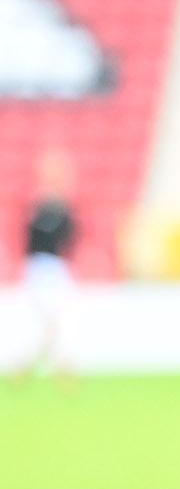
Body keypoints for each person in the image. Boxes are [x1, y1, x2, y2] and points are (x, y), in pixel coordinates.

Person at [11, 147, 77, 385]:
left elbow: (69, 237)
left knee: (51, 323)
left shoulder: (59, 208)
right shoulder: (38, 208)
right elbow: (32, 239)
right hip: (42, 268)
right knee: (51, 322)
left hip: (53, 267)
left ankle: (28, 368)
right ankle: (56, 370)